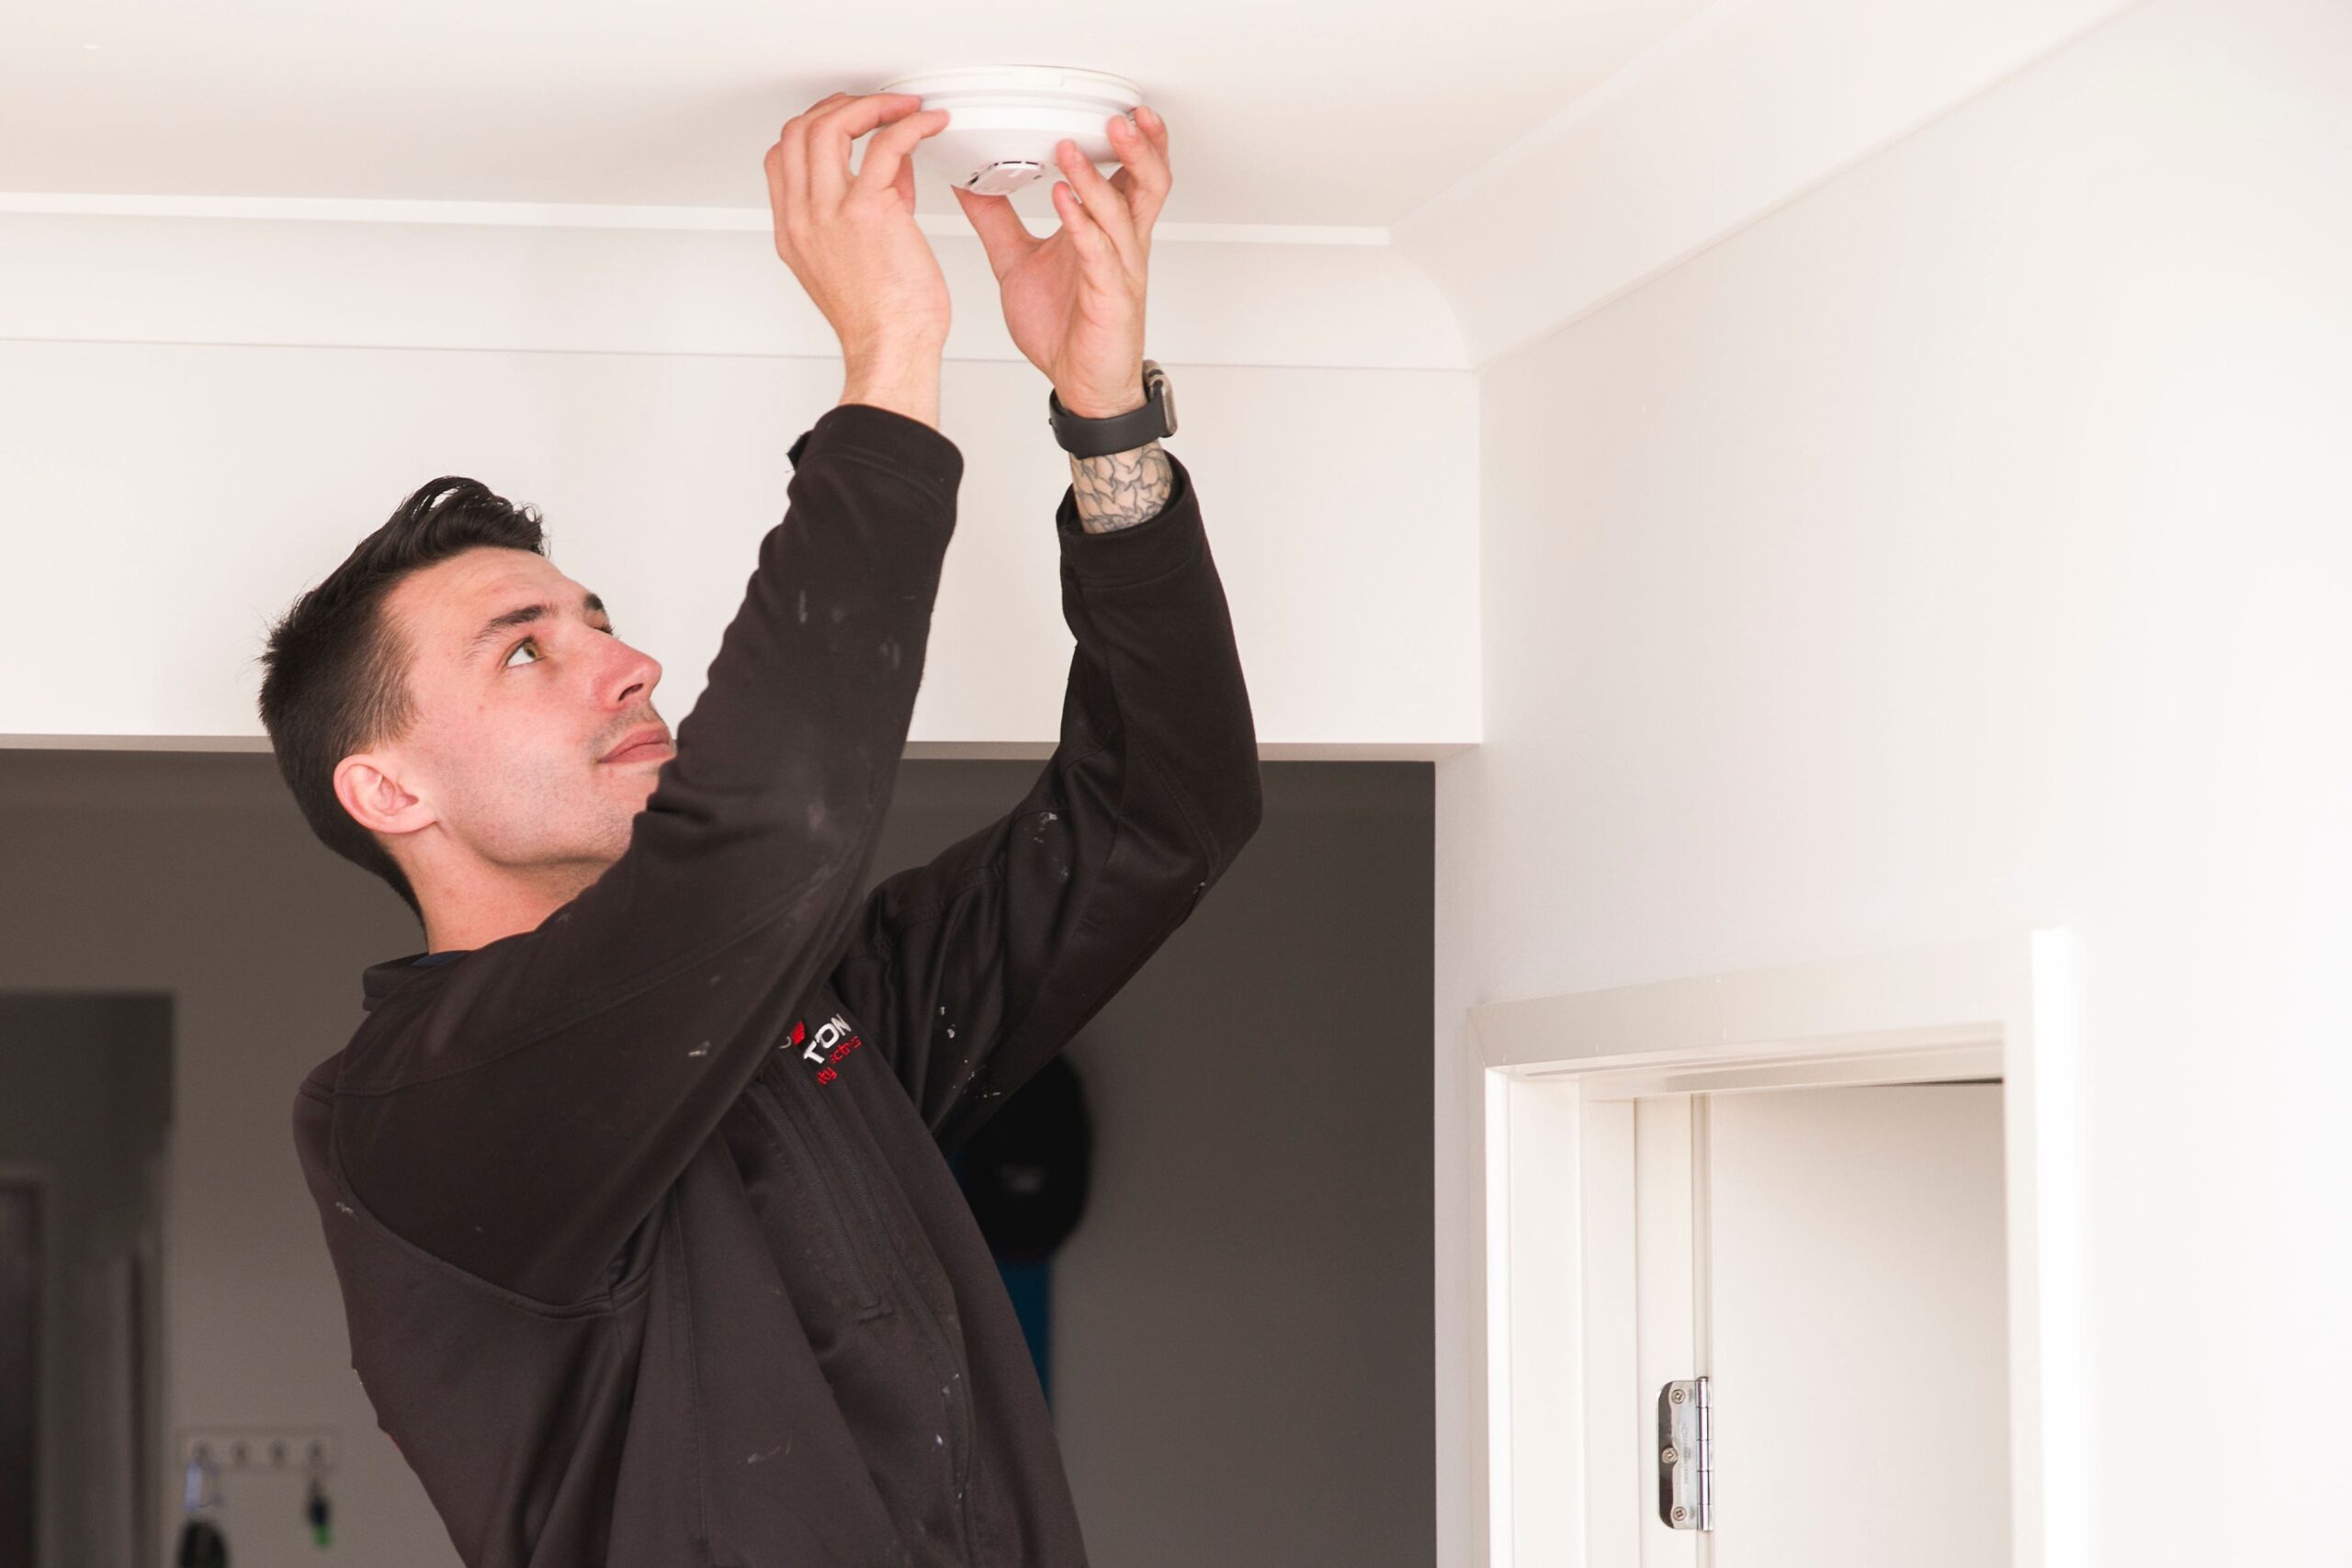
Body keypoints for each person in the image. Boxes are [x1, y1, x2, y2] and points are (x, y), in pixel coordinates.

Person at [264, 92, 1261, 1566]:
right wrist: (889, 362)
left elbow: (1160, 813)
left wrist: (1104, 418)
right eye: (525, 648)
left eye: (597, 618)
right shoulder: (409, 1112)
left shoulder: (821, 1020)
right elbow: (766, 838)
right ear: (390, 790)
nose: (627, 659)